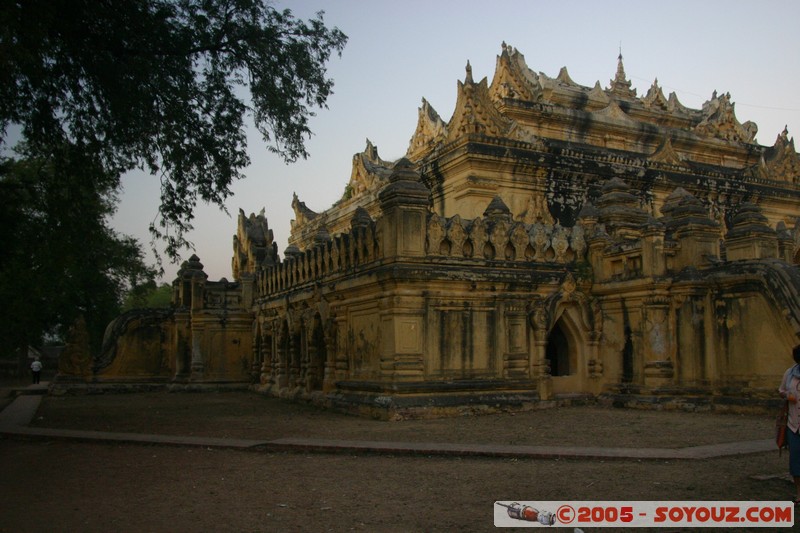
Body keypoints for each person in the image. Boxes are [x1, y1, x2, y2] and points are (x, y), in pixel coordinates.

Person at [778, 344, 800, 504]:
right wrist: (787, 395)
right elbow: (781, 390)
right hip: (794, 424)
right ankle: (799, 493)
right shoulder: (790, 373)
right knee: (795, 460)